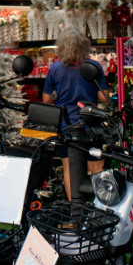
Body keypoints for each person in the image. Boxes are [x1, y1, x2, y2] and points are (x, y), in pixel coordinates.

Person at [42, 27, 109, 199]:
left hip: (66, 124)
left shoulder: (56, 68)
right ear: (84, 45)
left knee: (69, 167)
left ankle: (74, 212)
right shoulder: (93, 65)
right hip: (90, 122)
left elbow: (46, 99)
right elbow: (103, 97)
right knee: (96, 167)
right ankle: (97, 208)